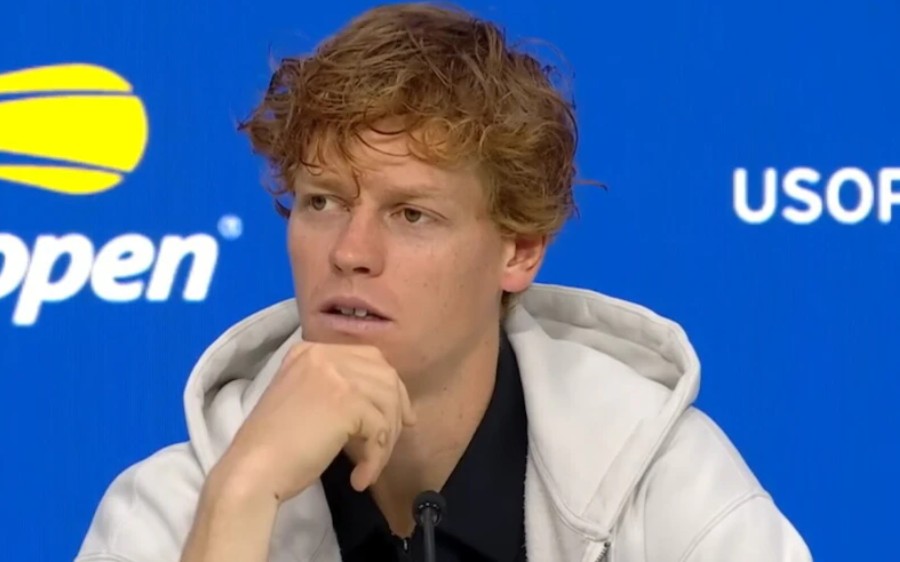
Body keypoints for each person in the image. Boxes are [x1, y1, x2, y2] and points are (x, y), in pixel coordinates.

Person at [76, 3, 813, 561]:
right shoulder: (175, 507)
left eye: (412, 215)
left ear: (520, 251)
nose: (350, 252)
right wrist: (241, 497)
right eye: (322, 202)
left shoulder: (664, 487)